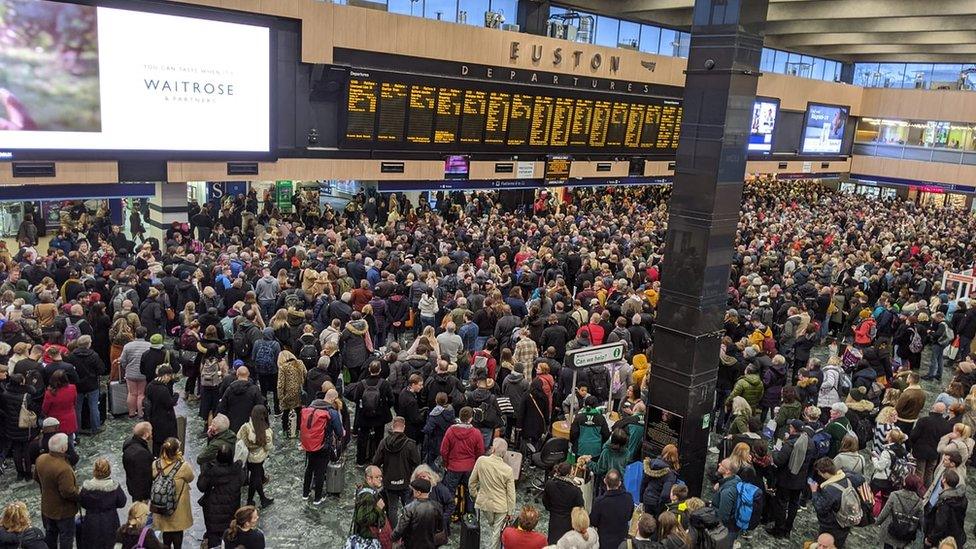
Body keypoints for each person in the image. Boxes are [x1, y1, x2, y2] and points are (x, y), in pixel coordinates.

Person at [769, 419, 817, 538]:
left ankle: (778, 530)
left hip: (786, 479)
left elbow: (779, 460)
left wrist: (774, 452)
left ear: (793, 428)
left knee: (781, 503)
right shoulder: (810, 442)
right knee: (793, 504)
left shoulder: (791, 443)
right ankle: (787, 529)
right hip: (800, 480)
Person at [469, 437, 517, 549]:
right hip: (501, 506)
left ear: (493, 449)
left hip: (484, 503)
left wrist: (476, 495)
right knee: (496, 532)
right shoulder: (508, 470)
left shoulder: (481, 461)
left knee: (488, 529)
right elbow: (511, 494)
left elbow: (472, 482)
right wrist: (511, 511)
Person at [372, 416, 420, 525]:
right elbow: (417, 463)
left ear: (393, 427)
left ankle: (394, 533)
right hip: (405, 481)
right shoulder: (410, 444)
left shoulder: (384, 443)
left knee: (392, 508)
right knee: (408, 507)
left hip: (389, 481)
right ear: (404, 427)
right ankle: (408, 529)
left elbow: (376, 462)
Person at [34, 432, 78, 549]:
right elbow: (68, 492)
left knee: (50, 534)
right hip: (63, 511)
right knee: (66, 537)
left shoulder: (41, 459)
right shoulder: (63, 468)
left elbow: (36, 477)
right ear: (63, 448)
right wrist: (80, 495)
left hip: (47, 506)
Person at [810, 457, 866, 548]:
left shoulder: (829, 490)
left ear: (825, 473)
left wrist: (814, 492)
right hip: (846, 521)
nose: (820, 475)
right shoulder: (848, 478)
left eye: (820, 473)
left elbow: (820, 508)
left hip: (832, 525)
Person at [439, 406, 484, 517]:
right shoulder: (476, 433)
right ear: (470, 419)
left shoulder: (450, 431)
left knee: (449, 491)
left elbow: (443, 450)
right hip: (469, 467)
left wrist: (445, 463)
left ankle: (448, 516)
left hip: (453, 467)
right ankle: (470, 516)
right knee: (470, 491)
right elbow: (480, 451)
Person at [301, 388, 344, 504]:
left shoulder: (311, 406)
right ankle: (318, 498)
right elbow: (339, 432)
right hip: (323, 446)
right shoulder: (331, 412)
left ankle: (305, 493)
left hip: (309, 443)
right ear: (334, 399)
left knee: (309, 468)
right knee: (320, 471)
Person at [151, 438, 195, 549]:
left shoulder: (156, 464)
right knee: (177, 532)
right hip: (178, 506)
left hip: (162, 505)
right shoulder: (183, 466)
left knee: (166, 532)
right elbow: (190, 478)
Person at [349, 361, 395, 466]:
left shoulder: (361, 384)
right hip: (380, 416)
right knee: (379, 438)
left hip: (364, 416)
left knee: (362, 439)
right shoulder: (384, 383)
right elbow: (391, 399)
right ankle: (377, 461)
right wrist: (385, 407)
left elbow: (356, 399)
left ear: (369, 369)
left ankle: (360, 461)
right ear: (380, 370)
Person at [198, 443, 243, 549]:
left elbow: (201, 486)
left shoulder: (210, 471)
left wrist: (205, 471)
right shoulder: (237, 471)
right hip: (231, 510)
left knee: (213, 539)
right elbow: (243, 481)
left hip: (212, 513)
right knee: (230, 537)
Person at [78, 458, 127, 549]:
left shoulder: (86, 489)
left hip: (91, 522)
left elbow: (82, 503)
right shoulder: (115, 488)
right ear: (109, 471)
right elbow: (122, 503)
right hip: (110, 522)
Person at [390, 477, 444, 549]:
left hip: (412, 545)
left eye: (413, 490)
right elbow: (440, 528)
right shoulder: (437, 506)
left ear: (418, 493)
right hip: (430, 545)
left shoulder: (409, 508)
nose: (412, 492)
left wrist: (393, 537)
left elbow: (400, 528)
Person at [237, 404, 274, 507]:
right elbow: (268, 447)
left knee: (255, 477)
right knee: (255, 478)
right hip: (259, 458)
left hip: (247, 456)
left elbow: (239, 437)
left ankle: (257, 499)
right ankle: (259, 500)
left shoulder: (245, 427)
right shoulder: (266, 432)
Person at [876, 474, 925, 549]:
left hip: (891, 528)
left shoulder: (894, 495)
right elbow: (921, 519)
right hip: (907, 532)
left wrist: (877, 522)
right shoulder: (919, 501)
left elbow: (885, 512)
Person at [911, 402, 953, 486]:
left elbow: (914, 435)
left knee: (919, 472)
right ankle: (927, 490)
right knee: (929, 473)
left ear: (933, 408)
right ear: (944, 411)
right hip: (935, 452)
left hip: (921, 451)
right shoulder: (947, 424)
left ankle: (917, 489)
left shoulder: (923, 420)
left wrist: (913, 445)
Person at [543, 461, 586, 544]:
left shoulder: (550, 484)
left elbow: (545, 500)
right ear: (568, 474)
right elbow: (580, 507)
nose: (574, 473)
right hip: (568, 520)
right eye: (573, 471)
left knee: (553, 541)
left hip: (554, 517)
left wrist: (551, 509)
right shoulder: (575, 490)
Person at [588, 469, 632, 549]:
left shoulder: (599, 501)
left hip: (605, 542)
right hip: (622, 542)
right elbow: (629, 517)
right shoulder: (628, 498)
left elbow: (593, 521)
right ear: (619, 483)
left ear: (605, 481)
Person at [924, 469, 967, 548]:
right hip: (957, 536)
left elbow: (940, 525)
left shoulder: (945, 503)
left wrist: (930, 539)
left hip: (943, 540)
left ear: (944, 480)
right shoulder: (961, 498)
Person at [144, 365, 179, 456]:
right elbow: (169, 403)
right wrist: (176, 395)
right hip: (165, 421)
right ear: (165, 376)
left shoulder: (150, 385)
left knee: (157, 443)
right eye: (169, 376)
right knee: (168, 443)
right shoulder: (162, 389)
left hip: (154, 418)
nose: (170, 379)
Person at [217, 366, 265, 432]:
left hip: (232, 425)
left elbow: (222, 408)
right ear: (248, 374)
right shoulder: (254, 390)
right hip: (250, 425)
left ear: (237, 374)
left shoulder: (230, 389)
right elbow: (260, 408)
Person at [350, 466, 388, 548]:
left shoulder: (365, 489)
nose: (380, 479)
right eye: (377, 477)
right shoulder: (368, 496)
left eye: (381, 476)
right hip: (367, 536)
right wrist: (378, 508)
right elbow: (363, 519)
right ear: (369, 478)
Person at [275, 350, 307, 438]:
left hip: (287, 394)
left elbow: (280, 384)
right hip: (299, 392)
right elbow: (305, 374)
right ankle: (298, 430)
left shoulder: (283, 368)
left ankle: (286, 432)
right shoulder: (300, 363)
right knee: (299, 412)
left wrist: (280, 397)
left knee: (285, 413)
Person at [41, 370, 77, 442]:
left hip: (55, 422)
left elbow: (45, 409)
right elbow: (74, 402)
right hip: (70, 419)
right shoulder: (73, 388)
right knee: (70, 442)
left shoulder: (50, 393)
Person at [711, 458, 741, 538]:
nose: (719, 464)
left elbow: (723, 517)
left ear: (727, 471)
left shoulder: (727, 492)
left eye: (722, 465)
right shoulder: (736, 478)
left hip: (727, 530)